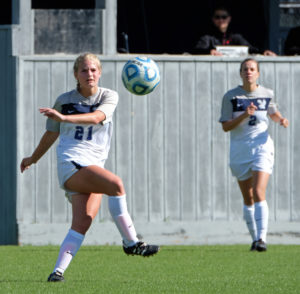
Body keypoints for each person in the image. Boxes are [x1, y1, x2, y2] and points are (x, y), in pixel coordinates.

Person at [20, 53, 159, 282]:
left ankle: (57, 272)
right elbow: (51, 133)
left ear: (100, 72)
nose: (89, 74)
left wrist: (64, 119)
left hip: (93, 166)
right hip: (71, 162)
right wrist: (33, 158)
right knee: (116, 184)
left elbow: (96, 118)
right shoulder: (64, 100)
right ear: (76, 74)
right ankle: (132, 243)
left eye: (93, 70)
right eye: (84, 70)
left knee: (83, 221)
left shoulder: (109, 96)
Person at [219, 58, 289, 251]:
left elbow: (272, 112)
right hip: (240, 149)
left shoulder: (266, 93)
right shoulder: (231, 97)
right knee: (248, 198)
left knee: (259, 191)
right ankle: (254, 239)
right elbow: (226, 127)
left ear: (258, 73)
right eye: (245, 69)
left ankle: (261, 239)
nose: (248, 72)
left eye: (252, 69)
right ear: (240, 73)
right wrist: (244, 115)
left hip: (262, 146)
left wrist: (281, 119)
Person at [192, 7, 276, 56]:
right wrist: (209, 52)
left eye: (224, 17)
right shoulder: (207, 36)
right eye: (217, 17)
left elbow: (249, 49)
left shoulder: (235, 36)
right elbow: (197, 51)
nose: (221, 20)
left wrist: (263, 52)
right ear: (213, 19)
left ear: (229, 19)